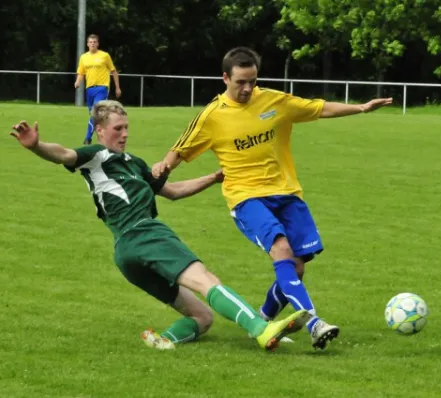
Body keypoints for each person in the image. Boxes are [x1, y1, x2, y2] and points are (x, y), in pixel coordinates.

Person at [9, 100, 309, 352]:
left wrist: (214, 178)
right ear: (99, 131)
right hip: (144, 234)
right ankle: (262, 329)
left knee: (202, 317)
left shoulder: (135, 163)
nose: (124, 134)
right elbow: (63, 154)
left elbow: (173, 191)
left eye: (126, 127)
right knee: (206, 280)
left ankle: (163, 340)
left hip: (126, 255)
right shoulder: (95, 156)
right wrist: (36, 147)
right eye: (117, 128)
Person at [152, 47, 393, 350]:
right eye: (240, 81)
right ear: (225, 78)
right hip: (246, 198)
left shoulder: (274, 102)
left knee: (297, 267)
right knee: (281, 249)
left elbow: (318, 108)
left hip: (287, 193)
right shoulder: (212, 117)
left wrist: (361, 108)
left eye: (252, 81)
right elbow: (181, 148)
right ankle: (315, 322)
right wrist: (164, 165)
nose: (247, 88)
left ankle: (263, 320)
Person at [74, 34, 122, 146]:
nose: (92, 44)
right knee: (95, 116)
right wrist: (77, 81)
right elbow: (81, 72)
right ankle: (107, 134)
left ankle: (87, 138)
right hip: (89, 89)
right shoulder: (84, 57)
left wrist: (117, 88)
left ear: (98, 44)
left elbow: (113, 71)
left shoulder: (104, 56)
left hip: (102, 88)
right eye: (90, 42)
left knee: (94, 113)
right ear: (87, 44)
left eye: (94, 42)